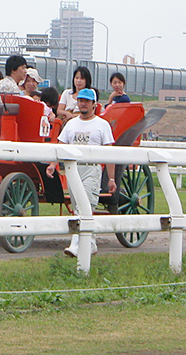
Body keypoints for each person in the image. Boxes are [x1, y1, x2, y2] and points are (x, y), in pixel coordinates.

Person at [45, 88, 116, 257]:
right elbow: (60, 146)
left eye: (86, 101)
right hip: (73, 169)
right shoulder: (71, 124)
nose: (83, 104)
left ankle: (75, 244)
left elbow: (110, 153)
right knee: (78, 206)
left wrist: (111, 178)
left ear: (94, 104)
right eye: (80, 100)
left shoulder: (102, 125)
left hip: (92, 168)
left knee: (85, 205)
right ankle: (90, 243)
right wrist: (52, 164)